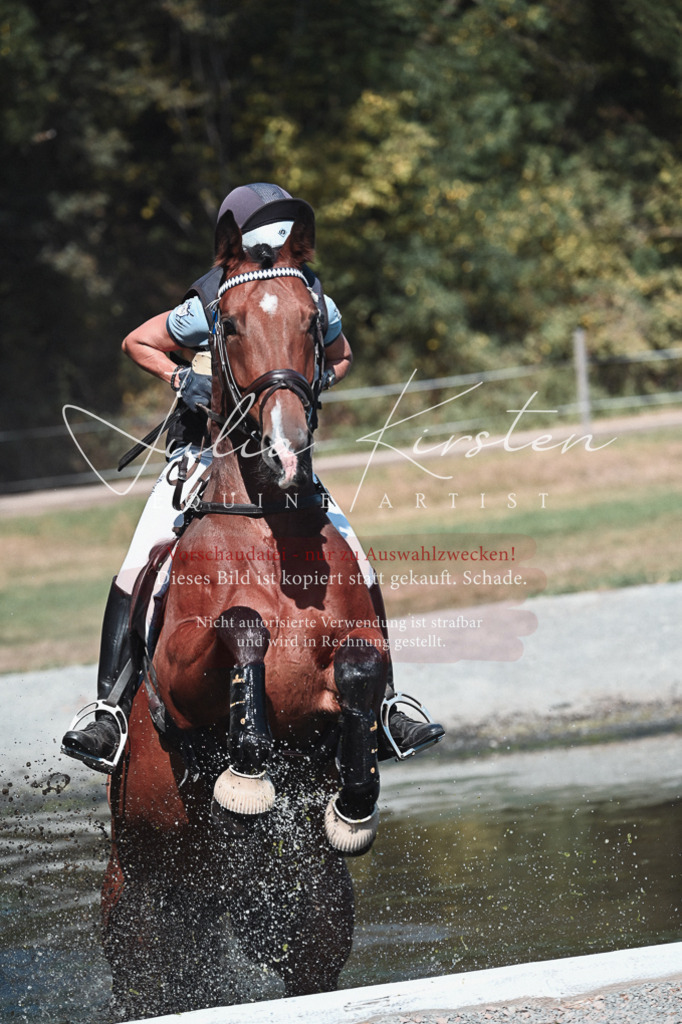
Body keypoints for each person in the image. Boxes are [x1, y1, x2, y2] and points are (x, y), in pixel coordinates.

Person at [61, 183, 445, 773]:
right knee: (139, 563)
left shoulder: (310, 293)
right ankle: (108, 710)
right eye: (269, 225)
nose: (278, 238)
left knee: (361, 563)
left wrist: (305, 387)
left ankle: (388, 702)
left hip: (287, 456)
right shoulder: (212, 298)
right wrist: (180, 378)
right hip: (205, 455)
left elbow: (341, 354)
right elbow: (138, 341)